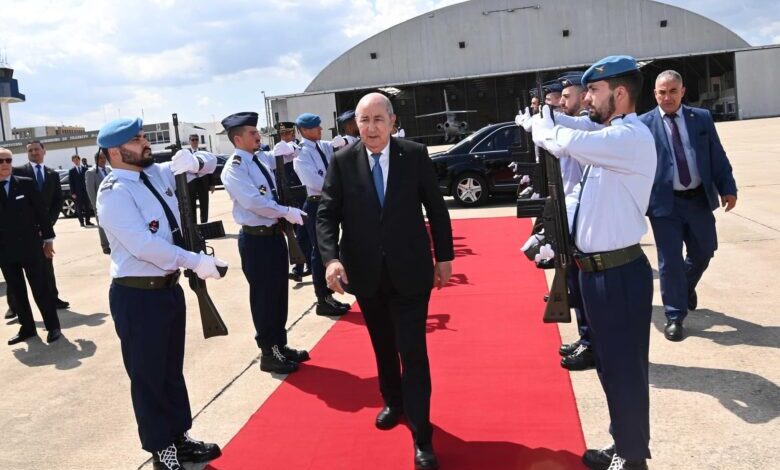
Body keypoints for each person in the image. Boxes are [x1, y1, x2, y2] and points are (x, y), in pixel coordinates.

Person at [532, 56, 657, 469]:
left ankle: (632, 458)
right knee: (609, 367)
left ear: (619, 93)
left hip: (619, 274)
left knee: (624, 371)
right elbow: (578, 131)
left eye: (593, 91)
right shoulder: (610, 137)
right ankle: (623, 443)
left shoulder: (629, 138)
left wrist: (544, 127)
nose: (586, 98)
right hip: (596, 273)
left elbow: (566, 140)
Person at [318, 92, 454, 470]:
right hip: (365, 274)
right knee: (383, 345)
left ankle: (423, 436)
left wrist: (444, 256)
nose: (371, 127)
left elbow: (436, 208)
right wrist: (331, 259)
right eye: (364, 120)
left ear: (393, 122)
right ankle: (393, 401)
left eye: (379, 119)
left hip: (410, 271)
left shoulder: (414, 155)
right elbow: (326, 214)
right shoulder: (342, 161)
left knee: (412, 351)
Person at [96, 117, 225, 470]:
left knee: (171, 371)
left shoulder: (155, 173)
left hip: (168, 289)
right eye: (136, 139)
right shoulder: (114, 193)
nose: (145, 143)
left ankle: (179, 436)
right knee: (148, 377)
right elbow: (144, 246)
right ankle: (161, 449)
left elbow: (212, 164)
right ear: (114, 152)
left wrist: (195, 160)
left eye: (143, 136)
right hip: (138, 296)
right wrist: (195, 261)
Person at [639, 70, 738, 342]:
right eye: (662, 92)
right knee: (670, 261)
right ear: (655, 94)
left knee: (705, 250)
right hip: (664, 205)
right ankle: (674, 316)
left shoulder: (701, 118)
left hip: (697, 200)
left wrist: (728, 187)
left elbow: (716, 155)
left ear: (682, 91)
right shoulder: (643, 124)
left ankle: (683, 287)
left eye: (673, 91)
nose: (667, 97)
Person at [220, 112, 311, 374]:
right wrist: (285, 211)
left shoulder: (258, 158)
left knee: (279, 294)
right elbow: (254, 202)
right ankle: (268, 352)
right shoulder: (235, 167)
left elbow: (284, 156)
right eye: (252, 133)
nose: (258, 136)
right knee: (264, 298)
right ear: (238, 139)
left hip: (273, 236)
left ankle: (280, 345)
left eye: (257, 131)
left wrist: (290, 148)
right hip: (256, 240)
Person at [0, 147, 61, 345]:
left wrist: (48, 240)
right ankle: (27, 328)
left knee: (41, 288)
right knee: (17, 291)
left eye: (8, 160)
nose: (5, 164)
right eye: (1, 161)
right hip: (5, 251)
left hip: (31, 248)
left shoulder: (25, 184)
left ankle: (53, 326)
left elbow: (42, 213)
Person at [293, 113, 350, 316]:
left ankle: (330, 296)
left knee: (332, 248)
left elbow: (345, 145)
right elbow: (315, 182)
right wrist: (338, 183)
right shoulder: (301, 153)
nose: (320, 129)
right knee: (320, 252)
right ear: (304, 130)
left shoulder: (322, 146)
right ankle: (322, 299)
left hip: (330, 201)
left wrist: (346, 140)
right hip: (316, 203)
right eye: (316, 127)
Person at [13, 141, 69, 310]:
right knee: (17, 266)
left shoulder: (52, 174)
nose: (34, 152)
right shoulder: (18, 172)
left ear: (44, 151)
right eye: (30, 150)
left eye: (37, 149)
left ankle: (53, 298)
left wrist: (48, 223)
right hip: (23, 229)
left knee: (47, 264)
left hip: (45, 229)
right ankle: (13, 305)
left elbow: (58, 201)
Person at [274, 121, 312, 283]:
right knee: (297, 233)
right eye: (282, 134)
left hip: (301, 196)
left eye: (288, 134)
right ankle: (307, 265)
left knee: (303, 233)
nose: (285, 137)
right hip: (286, 198)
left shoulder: (298, 147)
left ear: (293, 133)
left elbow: (295, 150)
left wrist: (288, 147)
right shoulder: (277, 151)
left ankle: (299, 268)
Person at [85, 150, 112, 254]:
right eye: (101, 158)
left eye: (104, 158)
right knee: (102, 226)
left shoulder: (109, 170)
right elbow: (91, 191)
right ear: (96, 160)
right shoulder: (91, 172)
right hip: (100, 205)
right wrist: (95, 206)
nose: (103, 160)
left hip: (112, 204)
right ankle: (105, 246)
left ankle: (113, 243)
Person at [184, 134, 213, 224]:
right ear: (189, 141)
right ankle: (194, 225)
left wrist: (212, 184)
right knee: (191, 205)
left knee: (204, 204)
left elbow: (210, 168)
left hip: (203, 182)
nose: (195, 141)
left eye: (196, 139)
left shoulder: (205, 153)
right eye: (193, 140)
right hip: (191, 184)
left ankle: (204, 223)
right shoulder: (186, 154)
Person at [68, 155, 94, 227]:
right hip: (77, 193)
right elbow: (71, 183)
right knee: (79, 208)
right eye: (74, 160)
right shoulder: (71, 171)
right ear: (73, 161)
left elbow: (89, 181)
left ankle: (88, 221)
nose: (76, 161)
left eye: (77, 160)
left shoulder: (85, 169)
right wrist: (73, 193)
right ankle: (81, 222)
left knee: (87, 207)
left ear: (79, 160)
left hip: (86, 192)